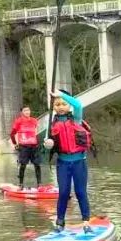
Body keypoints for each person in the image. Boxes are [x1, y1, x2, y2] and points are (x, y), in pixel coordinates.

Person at [44, 90, 92, 232]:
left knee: (80, 192)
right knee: (63, 192)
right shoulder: (51, 125)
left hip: (79, 163)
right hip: (63, 163)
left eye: (64, 104)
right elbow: (48, 145)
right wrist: (48, 145)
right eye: (57, 104)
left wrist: (60, 94)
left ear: (68, 106)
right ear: (54, 107)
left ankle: (86, 222)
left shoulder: (76, 118)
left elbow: (78, 105)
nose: (61, 107)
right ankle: (60, 222)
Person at [9, 105, 43, 188]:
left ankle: (39, 184)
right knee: (23, 165)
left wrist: (38, 143)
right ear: (21, 112)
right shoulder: (18, 121)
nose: (27, 112)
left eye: (28, 110)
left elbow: (36, 132)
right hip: (23, 146)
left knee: (37, 164)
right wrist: (14, 143)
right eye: (25, 110)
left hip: (34, 146)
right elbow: (12, 133)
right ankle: (21, 183)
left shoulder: (34, 120)